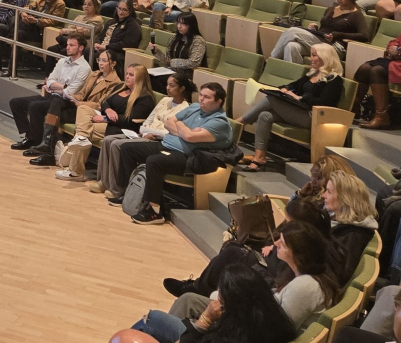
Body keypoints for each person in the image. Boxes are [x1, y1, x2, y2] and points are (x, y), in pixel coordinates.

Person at [134, 224, 334, 343]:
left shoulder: (305, 287)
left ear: (298, 250)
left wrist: (208, 319)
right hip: (242, 322)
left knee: (150, 321)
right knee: (187, 300)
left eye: (282, 242)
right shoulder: (295, 275)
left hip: (242, 330)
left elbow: (276, 328)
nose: (276, 244)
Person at [162, 194, 332, 300]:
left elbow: (281, 281)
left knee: (236, 253)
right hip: (272, 266)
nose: (324, 194)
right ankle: (200, 288)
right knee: (235, 248)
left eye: (329, 191)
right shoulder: (301, 237)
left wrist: (265, 259)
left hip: (271, 276)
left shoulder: (306, 264)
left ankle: (198, 289)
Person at [114, 82, 233, 223]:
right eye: (201, 95)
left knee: (155, 161)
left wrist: (180, 124)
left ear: (218, 101)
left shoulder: (219, 122)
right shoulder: (195, 107)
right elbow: (168, 122)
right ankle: (126, 193)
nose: (201, 99)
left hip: (189, 157)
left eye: (206, 97)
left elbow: (189, 137)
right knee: (128, 149)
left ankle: (154, 212)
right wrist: (184, 130)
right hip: (166, 145)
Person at [238, 44, 345, 171]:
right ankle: (259, 157)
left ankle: (241, 122)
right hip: (299, 111)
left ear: (325, 57)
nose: (310, 58)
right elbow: (294, 85)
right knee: (264, 115)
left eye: (314, 55)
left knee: (271, 99)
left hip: (314, 117)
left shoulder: (334, 80)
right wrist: (286, 89)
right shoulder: (312, 74)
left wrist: (299, 98)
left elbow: (324, 102)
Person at [90, 70, 190, 198]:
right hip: (144, 133)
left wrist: (149, 133)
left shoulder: (185, 108)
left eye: (172, 86)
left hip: (157, 139)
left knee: (116, 144)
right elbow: (149, 119)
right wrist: (143, 131)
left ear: (182, 88)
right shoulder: (165, 100)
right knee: (108, 139)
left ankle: (117, 188)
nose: (167, 88)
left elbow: (169, 131)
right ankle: (104, 181)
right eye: (167, 84)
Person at [54, 59, 153, 180]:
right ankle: (81, 138)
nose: (127, 77)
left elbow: (130, 119)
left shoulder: (145, 98)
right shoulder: (121, 87)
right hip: (108, 120)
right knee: (83, 108)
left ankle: (75, 171)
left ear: (141, 78)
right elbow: (105, 101)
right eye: (127, 73)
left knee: (86, 130)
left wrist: (105, 118)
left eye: (131, 75)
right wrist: (108, 110)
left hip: (120, 128)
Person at [8, 36, 93, 156]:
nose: (67, 47)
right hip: (51, 96)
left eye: (71, 45)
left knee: (35, 106)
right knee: (15, 103)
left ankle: (38, 141)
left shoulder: (84, 68)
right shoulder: (63, 61)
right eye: (67, 44)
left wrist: (57, 87)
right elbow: (49, 81)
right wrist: (62, 86)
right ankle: (30, 137)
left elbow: (70, 92)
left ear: (81, 48)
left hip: (66, 101)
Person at [271, 0, 368, 63]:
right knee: (291, 46)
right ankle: (294, 79)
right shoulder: (331, 9)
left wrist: (338, 35)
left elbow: (364, 36)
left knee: (292, 31)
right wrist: (315, 29)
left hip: (334, 46)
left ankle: (271, 61)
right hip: (321, 40)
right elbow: (325, 28)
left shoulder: (356, 14)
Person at [352, 28, 401, 128]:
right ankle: (354, 107)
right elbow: (396, 42)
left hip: (398, 64)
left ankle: (382, 117)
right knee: (364, 68)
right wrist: (392, 47)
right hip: (397, 61)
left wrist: (398, 51)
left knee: (377, 71)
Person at [16, 0, 66, 72]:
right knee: (14, 24)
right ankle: (14, 62)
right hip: (31, 27)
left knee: (17, 33)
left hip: (42, 32)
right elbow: (28, 7)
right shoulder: (41, 0)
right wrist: (23, 13)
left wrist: (37, 21)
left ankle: (15, 65)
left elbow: (54, 21)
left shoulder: (60, 4)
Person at [95, 0, 142, 70]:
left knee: (94, 56)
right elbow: (101, 36)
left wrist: (106, 47)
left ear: (130, 11)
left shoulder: (133, 25)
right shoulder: (111, 21)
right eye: (119, 8)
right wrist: (97, 43)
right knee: (85, 52)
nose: (120, 12)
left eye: (124, 10)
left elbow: (127, 44)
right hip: (103, 49)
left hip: (117, 53)